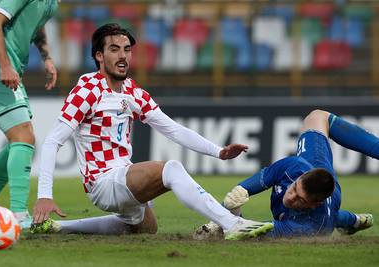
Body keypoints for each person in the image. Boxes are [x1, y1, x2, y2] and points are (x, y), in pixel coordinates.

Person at [30, 23, 273, 240]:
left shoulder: (133, 92)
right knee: (171, 169)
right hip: (102, 181)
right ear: (99, 56)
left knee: (145, 227)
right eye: (114, 49)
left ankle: (60, 227)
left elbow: (173, 130)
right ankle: (232, 224)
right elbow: (52, 142)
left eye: (127, 49)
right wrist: (44, 195)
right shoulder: (87, 90)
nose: (123, 55)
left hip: (123, 175)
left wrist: (218, 152)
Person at [194, 109, 374, 239]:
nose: (290, 197)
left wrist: (228, 217)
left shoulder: (307, 227)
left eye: (300, 200)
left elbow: (253, 232)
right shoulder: (295, 166)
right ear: (300, 177)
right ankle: (357, 220)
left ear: (313, 204)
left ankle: (354, 220)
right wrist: (241, 190)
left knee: (333, 218)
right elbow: (266, 176)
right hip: (318, 167)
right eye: (295, 188)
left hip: (325, 213)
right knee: (317, 117)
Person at [0, 0, 59, 228]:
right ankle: (19, 216)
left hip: (11, 68)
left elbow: (37, 23)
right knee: (24, 137)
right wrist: (4, 65)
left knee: (20, 141)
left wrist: (46, 57)